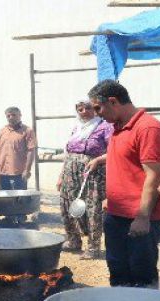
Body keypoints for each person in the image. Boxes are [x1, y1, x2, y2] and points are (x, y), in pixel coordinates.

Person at [88, 80, 160, 288]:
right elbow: (126, 157)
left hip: (139, 216)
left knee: (141, 272)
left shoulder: (148, 128)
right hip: (116, 213)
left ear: (113, 101)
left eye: (98, 108)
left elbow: (153, 175)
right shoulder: (118, 127)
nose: (97, 114)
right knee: (118, 269)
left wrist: (142, 217)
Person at [58, 99, 113, 259]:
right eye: (80, 109)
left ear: (95, 109)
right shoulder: (76, 128)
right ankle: (73, 240)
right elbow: (68, 154)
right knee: (67, 204)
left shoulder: (105, 127)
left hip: (93, 173)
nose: (83, 111)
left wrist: (97, 160)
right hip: (70, 172)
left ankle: (93, 247)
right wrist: (61, 175)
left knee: (92, 208)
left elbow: (114, 151)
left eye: (87, 108)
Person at [0, 106, 37, 223]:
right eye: (8, 115)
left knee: (20, 197)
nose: (11, 117)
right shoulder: (2, 131)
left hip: (19, 171)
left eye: (14, 115)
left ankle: (21, 219)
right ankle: (9, 219)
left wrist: (27, 170)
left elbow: (31, 151)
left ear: (20, 115)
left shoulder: (27, 131)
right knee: (5, 196)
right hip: (3, 171)